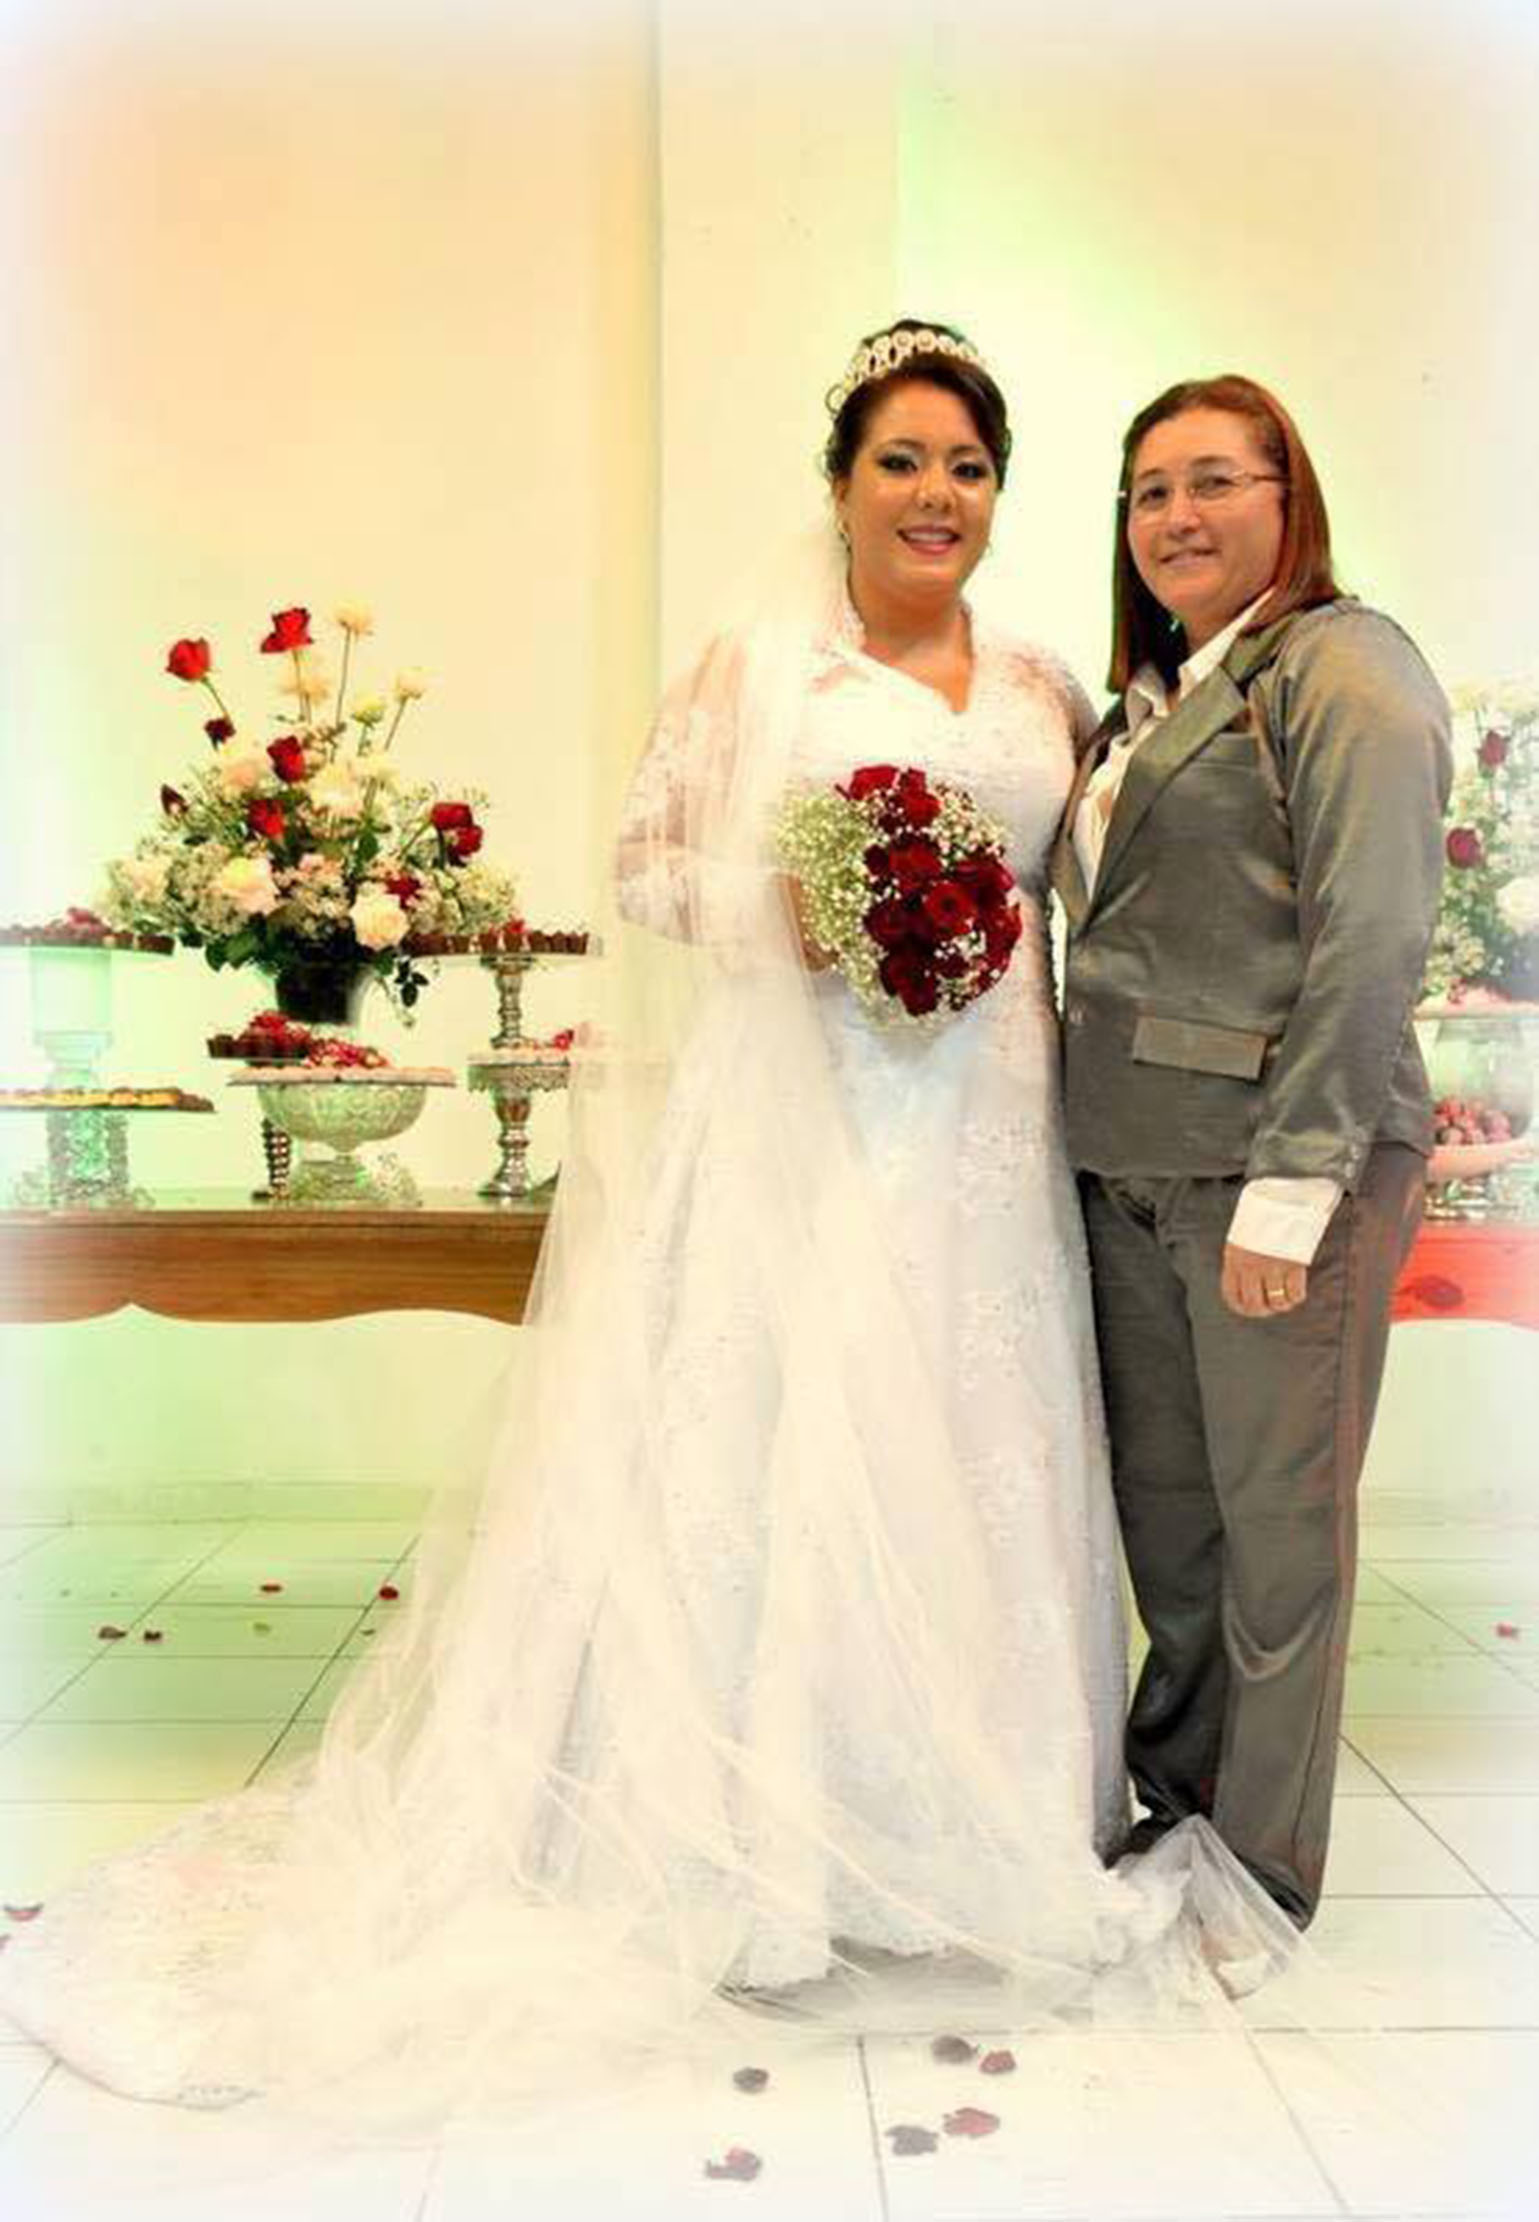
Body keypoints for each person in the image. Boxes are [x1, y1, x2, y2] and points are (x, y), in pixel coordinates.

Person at [0, 328, 1294, 2132]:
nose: (936, 495)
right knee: (779, 1441)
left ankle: (969, 1822)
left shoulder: (1045, 683)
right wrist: (804, 902)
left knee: (981, 1435)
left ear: (1001, 495)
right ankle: (764, 1840)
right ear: (842, 483)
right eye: (903, 460)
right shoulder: (760, 668)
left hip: (995, 1129)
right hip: (805, 1122)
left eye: (969, 467)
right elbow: (643, 866)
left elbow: (1086, 888)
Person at [1052, 374, 1452, 1925]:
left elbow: (1374, 936)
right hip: (1126, 1163)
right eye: (1150, 490)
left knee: (1279, 1542)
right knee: (1173, 1529)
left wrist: (1294, 1191)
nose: (1178, 515)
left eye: (1216, 479)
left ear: (1292, 497)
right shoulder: (1148, 699)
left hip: (1278, 1169)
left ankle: (1262, 1878)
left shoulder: (1346, 664)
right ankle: (1181, 1810)